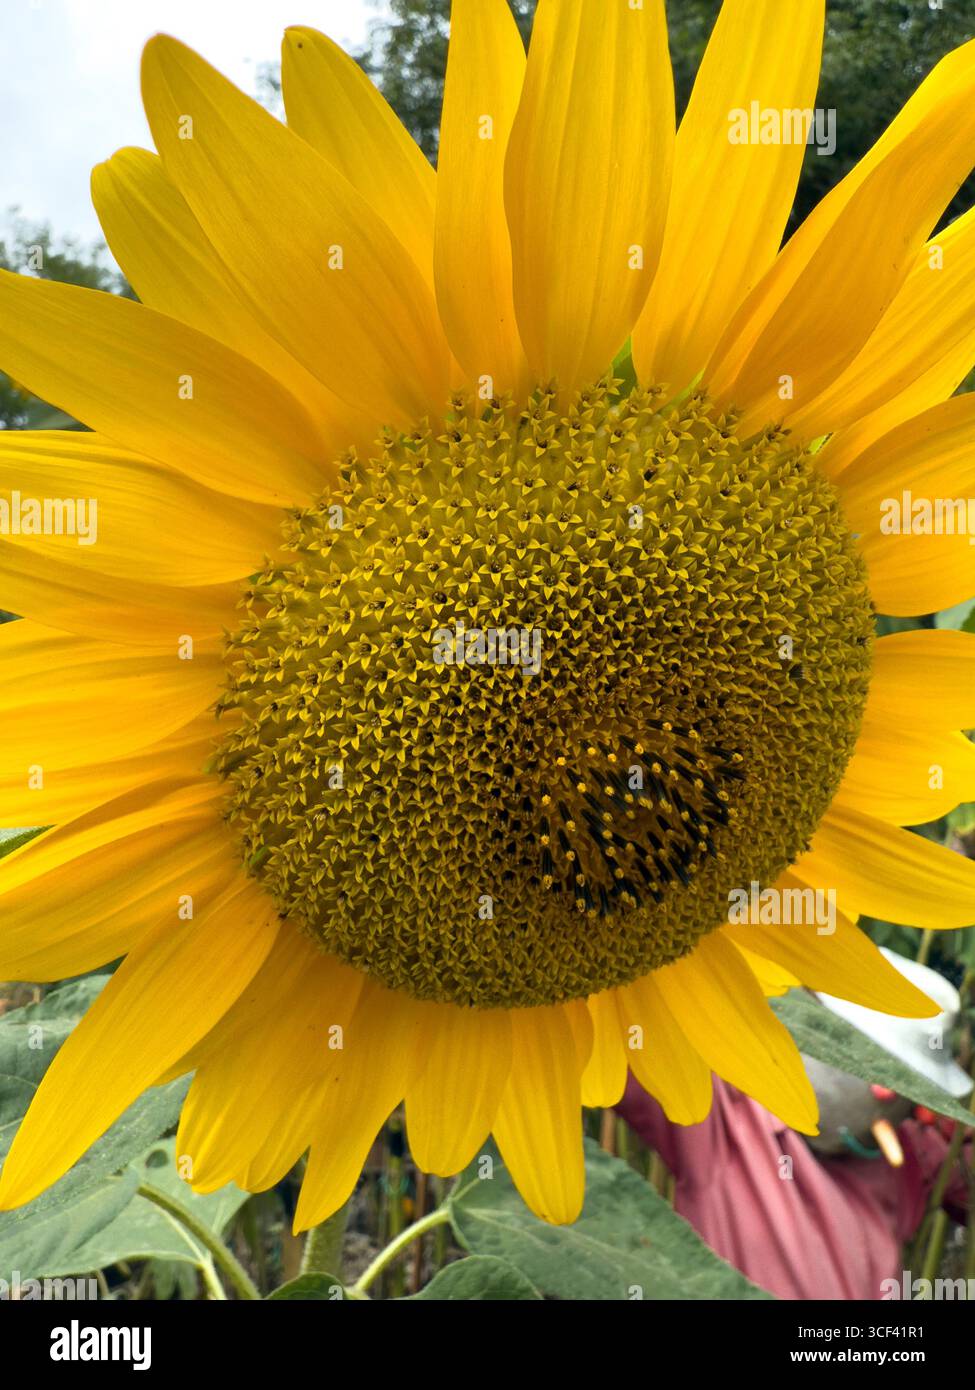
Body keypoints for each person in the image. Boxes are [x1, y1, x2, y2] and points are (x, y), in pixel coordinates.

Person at [615, 950, 973, 1300]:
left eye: (907, 1089)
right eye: (878, 1074)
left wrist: (952, 1127)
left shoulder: (906, 1153)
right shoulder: (725, 1113)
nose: (884, 1094)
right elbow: (616, 1046)